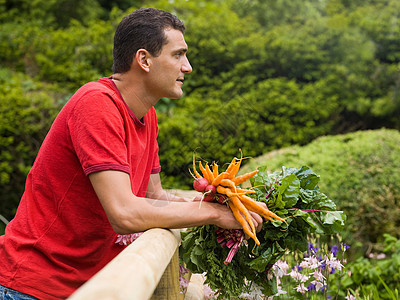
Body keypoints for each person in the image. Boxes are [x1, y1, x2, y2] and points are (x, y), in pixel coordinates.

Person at [0, 7, 263, 300]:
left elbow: (155, 197)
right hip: (30, 287)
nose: (187, 67)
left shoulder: (146, 116)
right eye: (178, 54)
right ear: (144, 60)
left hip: (87, 287)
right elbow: (124, 213)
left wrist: (223, 203)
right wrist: (212, 214)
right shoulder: (96, 105)